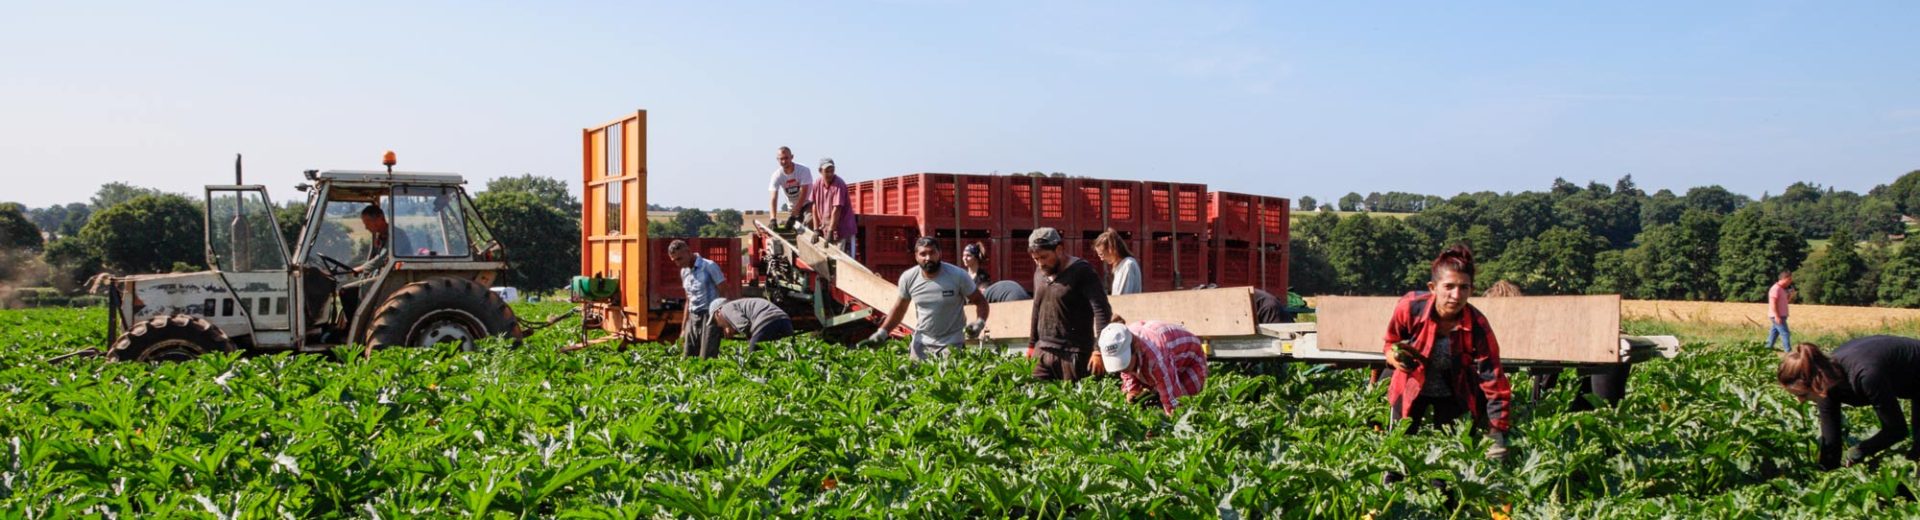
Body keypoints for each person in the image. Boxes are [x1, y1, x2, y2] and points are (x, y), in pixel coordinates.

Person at [1381, 244, 1512, 460]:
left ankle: (1441, 491)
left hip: (1454, 392)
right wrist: (1393, 357)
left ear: (1472, 290)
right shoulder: (1410, 307)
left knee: (1449, 464)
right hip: (1411, 386)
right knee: (1397, 457)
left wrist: (1497, 431)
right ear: (1433, 287)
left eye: (1464, 287)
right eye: (1449, 286)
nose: (1456, 295)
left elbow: (1494, 379)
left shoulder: (1477, 324)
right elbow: (1390, 341)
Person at [1778, 337, 1920, 470]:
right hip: (1912, 383)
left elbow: (1897, 430)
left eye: (1802, 395)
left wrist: (1860, 450)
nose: (1800, 401)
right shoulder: (1826, 381)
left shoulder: (1866, 376)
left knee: (1918, 454)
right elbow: (1831, 442)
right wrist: (1825, 480)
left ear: (1816, 383)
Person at [869, 237, 990, 360]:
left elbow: (981, 302)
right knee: (914, 377)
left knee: (949, 378)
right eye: (923, 254)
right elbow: (899, 309)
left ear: (939, 253)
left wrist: (979, 323)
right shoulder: (908, 278)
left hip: (952, 343)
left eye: (932, 253)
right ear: (916, 256)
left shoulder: (957, 276)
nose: (928, 258)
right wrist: (882, 332)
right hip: (921, 344)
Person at [1026, 227, 1113, 381]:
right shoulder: (1040, 274)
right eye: (1036, 259)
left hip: (1073, 354)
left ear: (1059, 250)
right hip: (1043, 351)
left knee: (1073, 400)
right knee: (1033, 399)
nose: (1040, 264)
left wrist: (1099, 350)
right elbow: (1036, 310)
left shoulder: (1082, 272)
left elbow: (1102, 311)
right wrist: (1032, 345)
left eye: (1044, 257)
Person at [1091, 317, 1208, 416]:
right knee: (1151, 392)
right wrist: (1132, 390)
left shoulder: (1156, 358)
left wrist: (1172, 427)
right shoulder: (1124, 342)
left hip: (1190, 362)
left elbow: (1172, 401)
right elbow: (1127, 369)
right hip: (1165, 357)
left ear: (1135, 349)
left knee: (1187, 406)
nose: (1122, 369)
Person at [669, 240, 727, 358]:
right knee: (688, 356)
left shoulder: (709, 266)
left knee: (707, 357)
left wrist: (725, 322)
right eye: (674, 260)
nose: (677, 263)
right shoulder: (684, 271)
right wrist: (683, 328)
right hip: (693, 317)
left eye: (679, 259)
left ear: (688, 252)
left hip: (710, 316)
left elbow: (723, 291)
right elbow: (688, 299)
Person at [708, 297, 795, 352]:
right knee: (789, 354)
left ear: (717, 313)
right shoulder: (739, 304)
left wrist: (750, 341)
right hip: (784, 320)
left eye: (715, 321)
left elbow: (744, 325)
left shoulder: (726, 308)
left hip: (765, 322)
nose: (719, 325)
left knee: (753, 358)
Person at [809, 158, 857, 255]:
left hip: (842, 230)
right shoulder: (817, 184)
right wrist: (816, 229)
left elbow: (837, 209)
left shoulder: (838, 184)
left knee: (841, 259)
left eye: (832, 171)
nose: (830, 174)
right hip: (827, 228)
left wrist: (831, 231)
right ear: (820, 171)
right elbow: (814, 206)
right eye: (827, 171)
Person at [353, 204, 414, 275]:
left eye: (368, 223)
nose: (366, 227)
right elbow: (373, 257)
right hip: (383, 274)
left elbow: (383, 257)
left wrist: (360, 269)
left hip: (398, 275)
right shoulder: (379, 236)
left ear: (380, 218)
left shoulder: (396, 235)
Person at [767, 146, 812, 229]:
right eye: (781, 159)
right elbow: (773, 198)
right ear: (777, 159)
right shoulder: (777, 175)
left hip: (807, 204)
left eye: (786, 158)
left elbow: (803, 193)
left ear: (792, 157)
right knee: (794, 230)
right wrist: (773, 219)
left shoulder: (803, 170)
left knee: (809, 222)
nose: (784, 161)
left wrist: (793, 216)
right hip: (792, 208)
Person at [1093, 228, 1142, 296]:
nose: (1102, 259)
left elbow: (1123, 297)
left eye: (1101, 254)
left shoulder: (1128, 265)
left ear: (1111, 249)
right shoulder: (1121, 266)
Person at [1767, 271, 1797, 352]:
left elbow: (1785, 301)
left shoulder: (1782, 289)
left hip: (1781, 315)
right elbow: (1773, 303)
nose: (1790, 281)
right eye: (1789, 279)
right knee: (1785, 333)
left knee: (1774, 333)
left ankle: (1767, 348)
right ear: (1784, 279)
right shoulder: (1775, 288)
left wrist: (1790, 295)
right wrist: (1777, 316)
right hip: (1777, 315)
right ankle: (1788, 351)